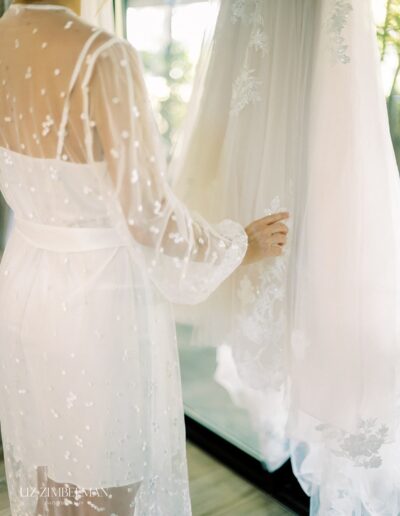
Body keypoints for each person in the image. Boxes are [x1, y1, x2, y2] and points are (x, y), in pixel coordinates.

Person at [0, 1, 289, 514]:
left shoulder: (7, 31)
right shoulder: (104, 57)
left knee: (54, 477)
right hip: (96, 308)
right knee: (108, 490)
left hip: (24, 288)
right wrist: (239, 245)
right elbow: (150, 217)